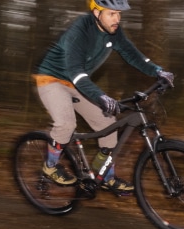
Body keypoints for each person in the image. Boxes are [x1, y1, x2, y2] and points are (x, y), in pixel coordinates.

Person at [33, 0, 175, 193]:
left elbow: (133, 55)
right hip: (52, 79)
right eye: (112, 14)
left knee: (108, 125)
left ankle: (105, 175)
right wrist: (100, 96)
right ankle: (50, 166)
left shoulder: (114, 31)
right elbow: (76, 71)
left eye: (119, 14)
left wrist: (157, 71)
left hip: (77, 83)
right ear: (96, 12)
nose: (117, 19)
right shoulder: (79, 31)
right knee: (66, 124)